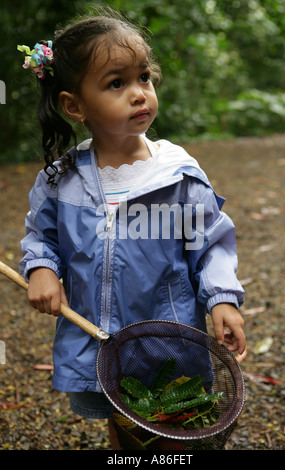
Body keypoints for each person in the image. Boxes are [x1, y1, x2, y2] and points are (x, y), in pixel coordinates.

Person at [18, 7, 246, 450]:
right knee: (123, 423)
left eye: (144, 77)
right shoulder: (61, 180)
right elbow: (40, 236)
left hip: (168, 338)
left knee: (175, 423)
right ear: (74, 106)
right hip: (97, 341)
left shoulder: (178, 175)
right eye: (116, 83)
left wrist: (221, 298)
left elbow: (212, 244)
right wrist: (41, 268)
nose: (139, 93)